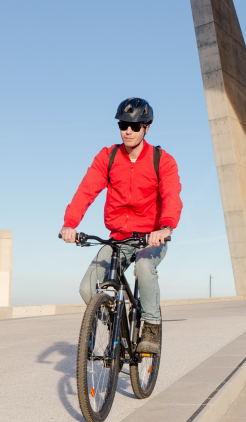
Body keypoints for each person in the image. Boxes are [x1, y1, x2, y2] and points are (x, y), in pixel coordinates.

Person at [60, 98, 183, 355]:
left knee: (144, 267)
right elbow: (86, 191)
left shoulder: (163, 160)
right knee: (87, 288)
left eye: (135, 126)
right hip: (118, 238)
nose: (128, 130)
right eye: (123, 125)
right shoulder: (109, 156)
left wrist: (165, 228)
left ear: (146, 127)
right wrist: (70, 224)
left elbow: (172, 196)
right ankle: (120, 323)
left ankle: (151, 326)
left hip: (151, 238)